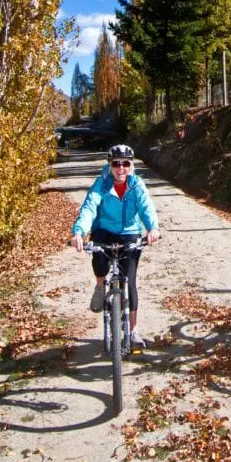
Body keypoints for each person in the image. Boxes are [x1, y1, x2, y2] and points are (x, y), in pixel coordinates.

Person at [71, 143, 160, 347]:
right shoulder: (101, 184)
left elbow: (146, 207)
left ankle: (134, 331)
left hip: (129, 232)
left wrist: (153, 228)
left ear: (131, 166)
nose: (121, 168)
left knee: (129, 280)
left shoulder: (137, 185)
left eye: (125, 164)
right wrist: (79, 232)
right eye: (116, 164)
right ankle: (101, 285)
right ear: (110, 165)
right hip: (104, 230)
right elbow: (89, 208)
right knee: (100, 259)